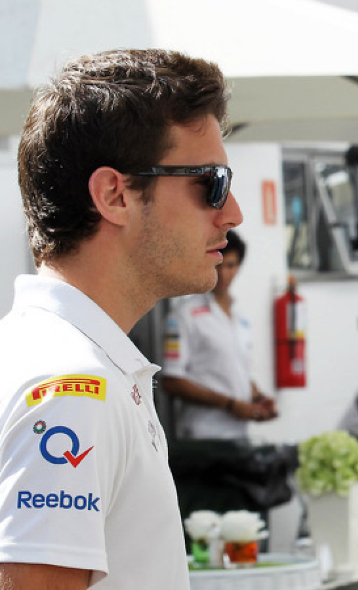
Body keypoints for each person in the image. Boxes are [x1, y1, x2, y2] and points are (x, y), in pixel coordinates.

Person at [0, 49, 241, 589]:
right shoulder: (71, 387)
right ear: (114, 194)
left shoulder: (62, 361)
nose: (232, 213)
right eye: (211, 182)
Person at [161, 230, 277, 440]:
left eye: (230, 266)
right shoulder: (184, 314)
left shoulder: (240, 317)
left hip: (239, 433)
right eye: (218, 265)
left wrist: (258, 398)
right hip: (203, 436)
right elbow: (171, 381)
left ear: (239, 267)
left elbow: (236, 371)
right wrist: (230, 405)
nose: (223, 274)